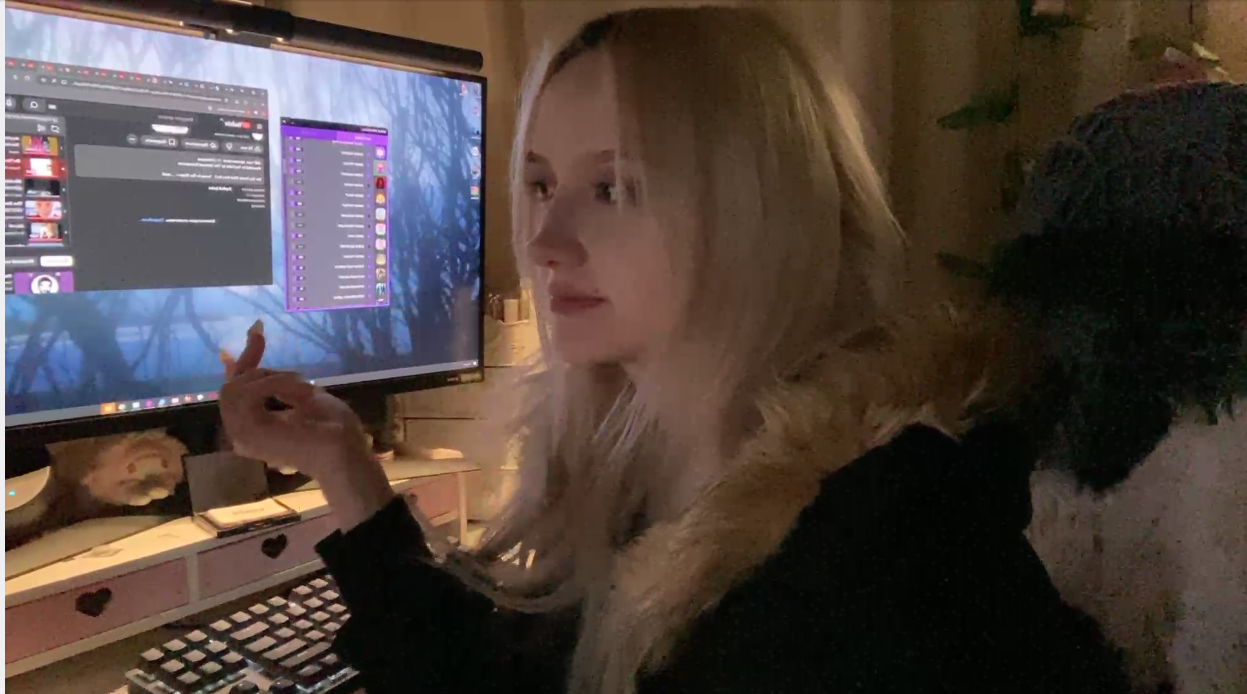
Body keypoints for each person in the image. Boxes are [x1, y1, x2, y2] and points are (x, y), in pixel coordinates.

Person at [220, 7, 1130, 694]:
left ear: (756, 208)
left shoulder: (890, 546)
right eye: (540, 184)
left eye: (612, 188)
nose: (544, 243)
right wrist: (344, 465)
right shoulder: (647, 460)